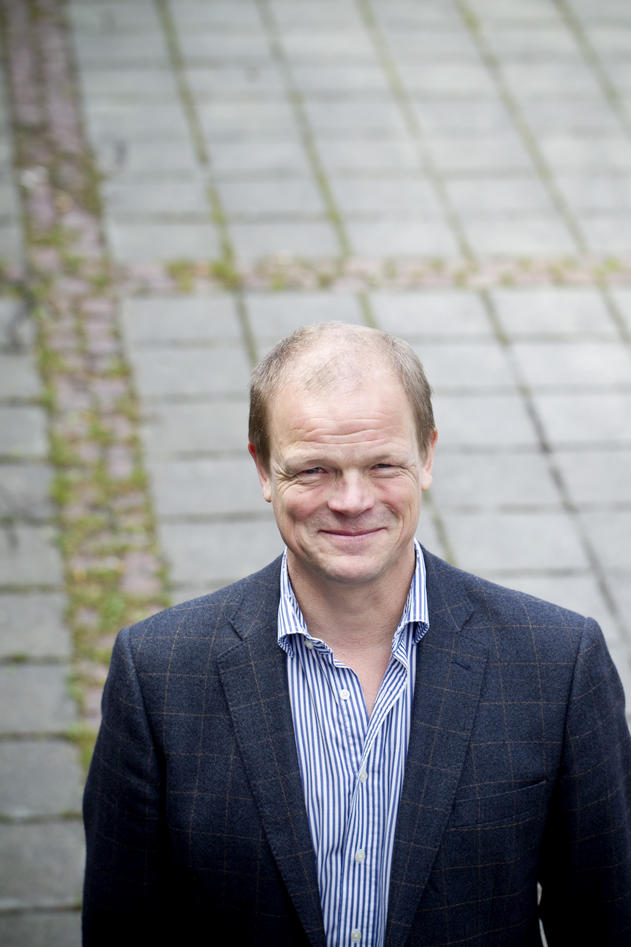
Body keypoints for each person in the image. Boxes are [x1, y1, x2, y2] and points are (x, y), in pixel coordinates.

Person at [82, 322, 631, 946]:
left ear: (427, 456)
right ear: (263, 469)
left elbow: (607, 921)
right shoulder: (157, 676)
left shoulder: (558, 667)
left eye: (382, 465)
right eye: (314, 469)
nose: (351, 500)